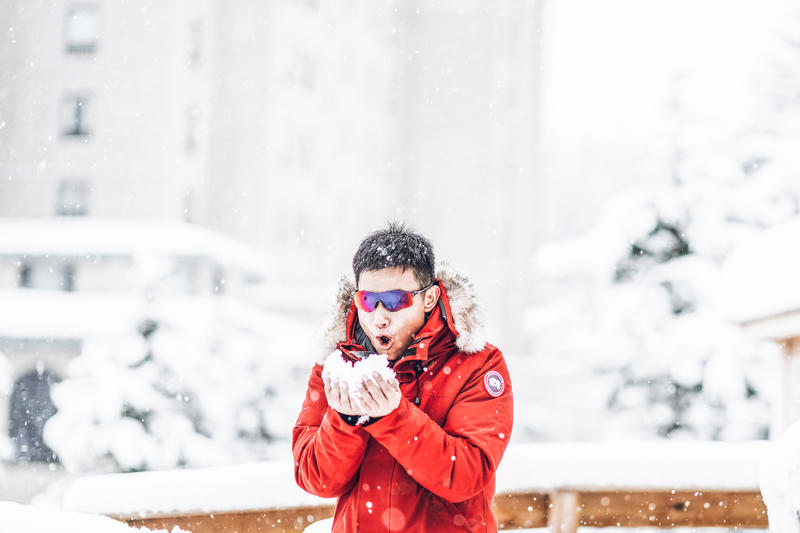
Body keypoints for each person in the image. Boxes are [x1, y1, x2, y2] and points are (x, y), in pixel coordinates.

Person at [293, 222, 514, 532]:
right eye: (368, 301)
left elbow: (465, 475)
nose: (379, 317)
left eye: (396, 301)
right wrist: (345, 421)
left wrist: (393, 417)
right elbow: (316, 479)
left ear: (429, 298)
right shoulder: (337, 363)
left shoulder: (478, 364)